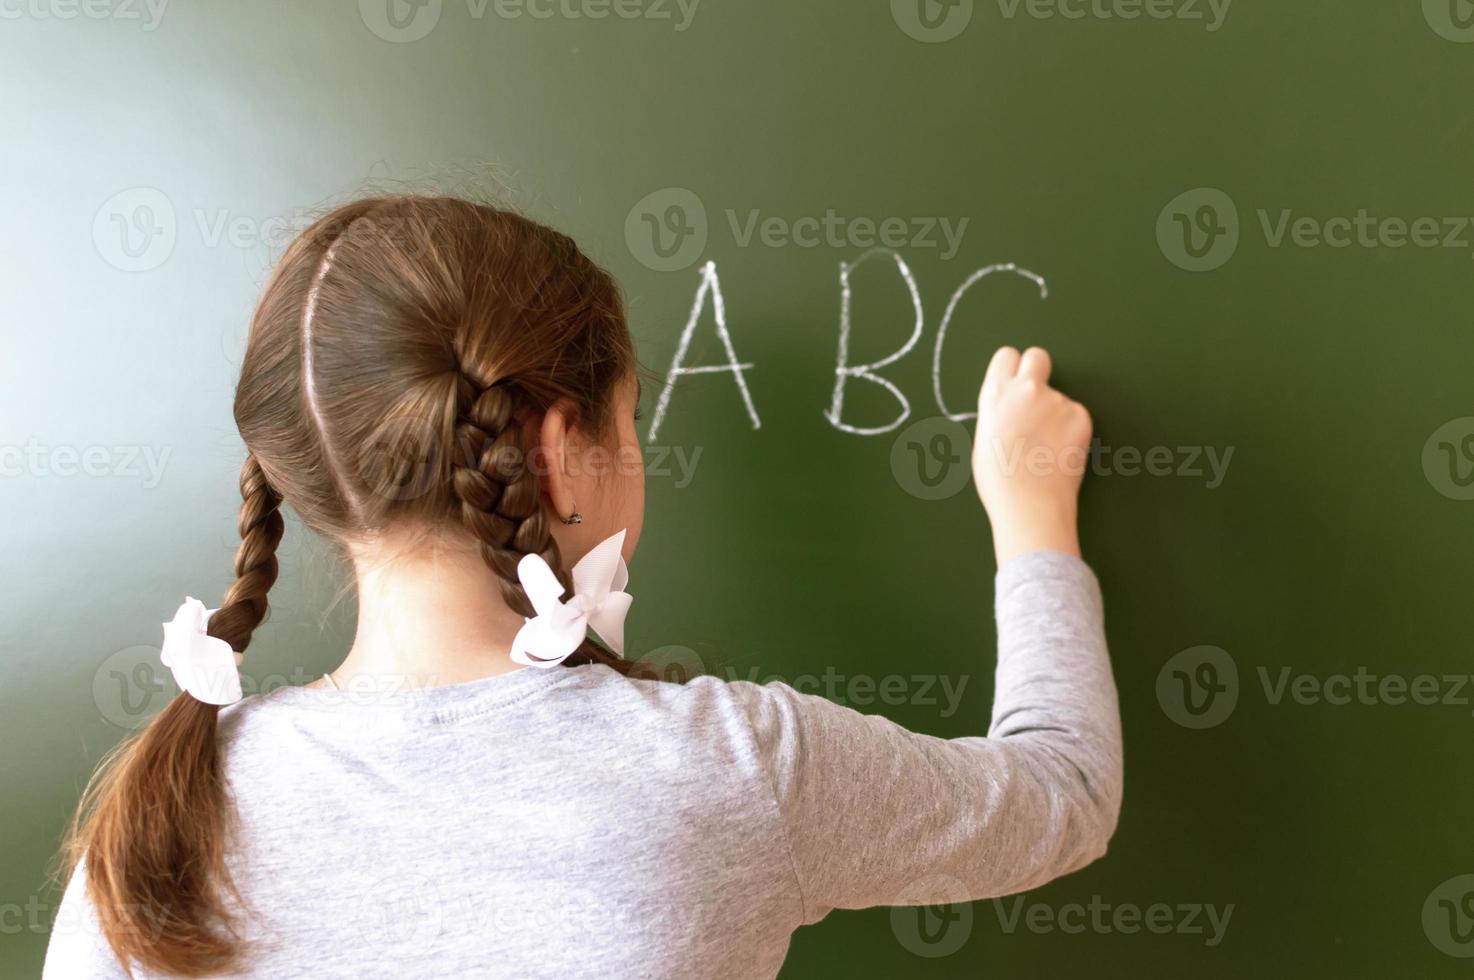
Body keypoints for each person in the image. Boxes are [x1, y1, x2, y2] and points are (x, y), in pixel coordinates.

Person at [45, 195, 1122, 979]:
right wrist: (1033, 520)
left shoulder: (157, 823)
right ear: (560, 451)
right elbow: (1062, 796)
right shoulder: (730, 766)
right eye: (631, 420)